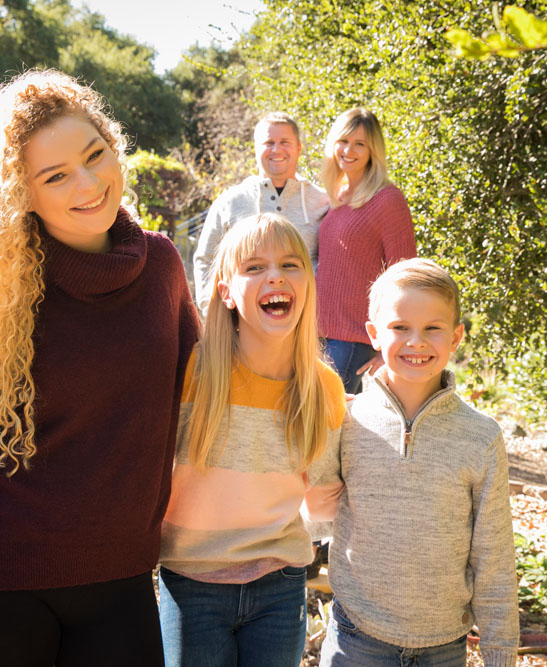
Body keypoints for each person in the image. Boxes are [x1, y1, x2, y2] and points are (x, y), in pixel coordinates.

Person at [0, 69, 199, 667]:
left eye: (96, 155)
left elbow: (204, 394)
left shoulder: (162, 268)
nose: (89, 184)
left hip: (122, 584)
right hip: (0, 591)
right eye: (55, 175)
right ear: (20, 193)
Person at [159, 213, 346, 667]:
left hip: (280, 586)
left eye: (290, 264)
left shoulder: (322, 387)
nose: (275, 276)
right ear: (225, 290)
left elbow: (323, 499)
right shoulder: (190, 372)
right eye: (254, 267)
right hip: (191, 583)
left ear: (308, 282)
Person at [319, 258, 519, 667]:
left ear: (457, 336)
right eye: (399, 327)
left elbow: (494, 556)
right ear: (374, 334)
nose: (416, 342)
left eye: (433, 328)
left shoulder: (480, 437)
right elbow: (311, 505)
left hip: (443, 646)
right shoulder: (345, 420)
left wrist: (500, 654)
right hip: (356, 639)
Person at [316, 108, 416, 394]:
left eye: (360, 144)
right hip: (320, 336)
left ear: (373, 151)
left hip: (352, 341)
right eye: (343, 141)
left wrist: (391, 348)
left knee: (329, 426)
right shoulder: (337, 198)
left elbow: (406, 277)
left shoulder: (387, 199)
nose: (349, 150)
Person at [192, 113, 329, 314]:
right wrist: (210, 311)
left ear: (298, 148)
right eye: (268, 142)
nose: (277, 149)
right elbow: (206, 259)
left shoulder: (323, 202)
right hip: (242, 327)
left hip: (305, 326)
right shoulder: (230, 202)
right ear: (255, 148)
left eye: (284, 142)